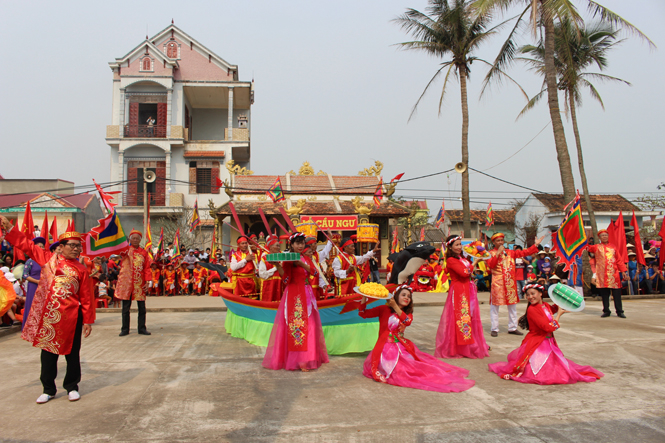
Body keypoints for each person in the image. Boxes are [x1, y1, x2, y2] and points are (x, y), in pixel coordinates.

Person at [0, 216, 94, 403]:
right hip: (49, 318)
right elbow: (26, 245)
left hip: (72, 318)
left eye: (78, 246)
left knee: (72, 354)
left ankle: (72, 387)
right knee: (48, 355)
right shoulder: (48, 260)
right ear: (62, 245)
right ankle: (48, 389)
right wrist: (9, 228)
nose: (76, 249)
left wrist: (88, 321)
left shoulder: (81, 270)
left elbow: (86, 297)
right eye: (72, 246)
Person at [358, 284, 474, 392]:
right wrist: (364, 297)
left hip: (399, 346)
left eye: (409, 297)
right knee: (393, 369)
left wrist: (394, 306)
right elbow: (363, 313)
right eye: (403, 295)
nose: (406, 298)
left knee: (408, 370)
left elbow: (406, 322)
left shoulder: (408, 314)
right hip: (383, 347)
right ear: (396, 296)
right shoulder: (384, 309)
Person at [488, 283, 603, 384]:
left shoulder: (545, 305)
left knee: (558, 367)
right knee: (542, 371)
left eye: (533, 294)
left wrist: (568, 299)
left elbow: (552, 309)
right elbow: (548, 328)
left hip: (548, 341)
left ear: (540, 294)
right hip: (538, 343)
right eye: (528, 295)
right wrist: (559, 316)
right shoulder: (532, 310)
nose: (530, 297)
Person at [262, 233, 328, 371]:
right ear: (291, 245)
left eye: (302, 243)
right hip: (294, 295)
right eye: (297, 243)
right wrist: (278, 266)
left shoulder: (305, 257)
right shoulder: (288, 259)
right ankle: (299, 360)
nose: (300, 246)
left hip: (308, 295)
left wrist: (301, 264)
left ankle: (309, 357)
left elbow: (315, 273)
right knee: (297, 327)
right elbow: (286, 280)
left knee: (310, 326)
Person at [435, 235, 489, 359]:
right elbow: (464, 273)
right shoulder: (450, 260)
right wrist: (475, 262)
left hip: (468, 289)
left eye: (460, 244)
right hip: (459, 290)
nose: (460, 247)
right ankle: (459, 347)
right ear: (450, 247)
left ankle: (471, 344)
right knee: (461, 317)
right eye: (457, 245)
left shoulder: (461, 258)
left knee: (469, 316)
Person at [487, 233, 543, 337]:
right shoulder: (490, 253)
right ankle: (494, 328)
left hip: (510, 283)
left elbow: (524, 252)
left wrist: (535, 246)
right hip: (497, 284)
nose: (500, 242)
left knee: (512, 307)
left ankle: (512, 327)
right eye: (498, 241)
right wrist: (498, 254)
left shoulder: (510, 252)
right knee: (494, 307)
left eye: (501, 240)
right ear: (493, 242)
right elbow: (491, 265)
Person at [116, 229, 152, 336]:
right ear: (130, 239)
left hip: (139, 283)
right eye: (133, 238)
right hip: (127, 283)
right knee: (126, 308)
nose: (135, 240)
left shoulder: (143, 252)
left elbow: (147, 268)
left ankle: (142, 328)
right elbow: (117, 251)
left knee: (142, 308)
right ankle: (125, 329)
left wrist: (147, 282)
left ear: (140, 240)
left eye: (137, 238)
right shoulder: (125, 250)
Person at [588, 229, 628, 318]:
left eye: (606, 235)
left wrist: (623, 271)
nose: (604, 237)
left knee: (617, 294)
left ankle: (620, 311)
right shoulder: (596, 247)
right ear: (599, 237)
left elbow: (619, 260)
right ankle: (606, 310)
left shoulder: (613, 247)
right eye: (602, 235)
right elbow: (587, 247)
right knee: (605, 294)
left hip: (614, 274)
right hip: (602, 275)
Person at [21, 237, 45, 330]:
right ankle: (30, 327)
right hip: (34, 285)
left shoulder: (46, 261)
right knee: (32, 305)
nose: (41, 248)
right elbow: (25, 275)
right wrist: (37, 281)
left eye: (42, 246)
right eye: (38, 246)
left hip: (44, 286)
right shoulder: (30, 261)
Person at [258, 235, 283, 302]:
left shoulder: (282, 257)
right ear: (271, 247)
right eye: (277, 246)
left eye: (279, 246)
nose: (279, 248)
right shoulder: (264, 258)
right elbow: (262, 275)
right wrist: (276, 267)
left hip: (281, 286)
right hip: (268, 287)